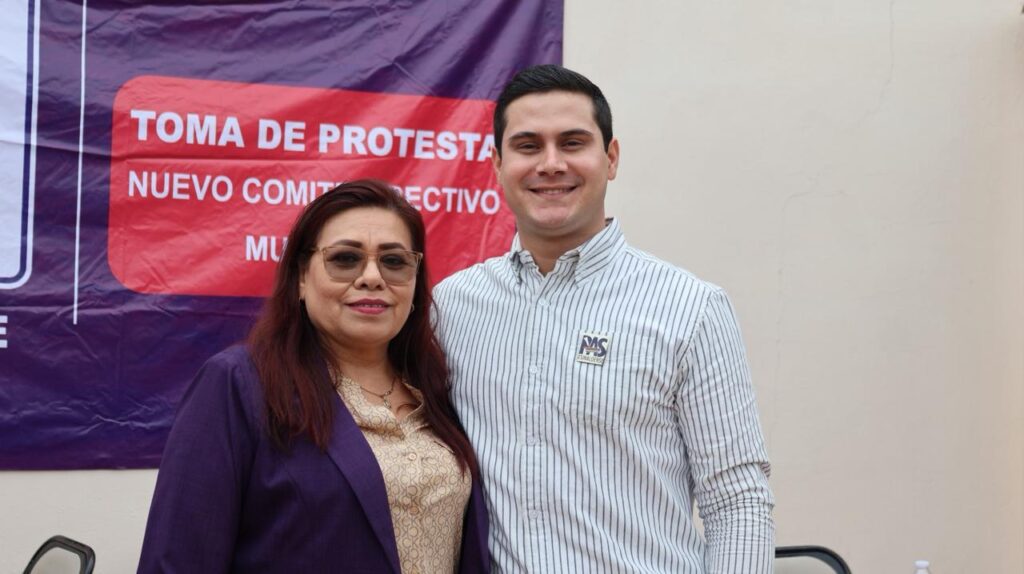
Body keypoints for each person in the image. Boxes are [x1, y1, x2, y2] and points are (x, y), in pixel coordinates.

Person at [433, 65, 775, 572]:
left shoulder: (691, 307)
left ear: (610, 158)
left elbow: (737, 501)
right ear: (498, 165)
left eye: (573, 143)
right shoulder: (452, 307)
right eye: (528, 146)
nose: (551, 164)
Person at [139, 180, 489, 573]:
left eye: (394, 261)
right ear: (301, 278)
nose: (372, 277)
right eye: (345, 259)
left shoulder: (439, 388)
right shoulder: (240, 385)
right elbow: (177, 560)